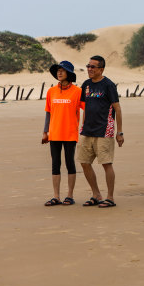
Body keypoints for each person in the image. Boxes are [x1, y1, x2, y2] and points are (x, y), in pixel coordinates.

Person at [77, 55, 124, 208]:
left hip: (105, 130)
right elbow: (85, 107)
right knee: (84, 162)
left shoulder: (108, 85)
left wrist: (120, 132)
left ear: (101, 69)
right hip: (87, 130)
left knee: (106, 163)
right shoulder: (86, 84)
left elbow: (117, 108)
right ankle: (96, 194)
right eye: (88, 66)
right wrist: (82, 127)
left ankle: (110, 197)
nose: (89, 69)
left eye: (93, 67)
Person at [42, 61, 83, 206]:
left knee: (70, 164)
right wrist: (45, 132)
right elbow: (48, 112)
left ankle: (70, 196)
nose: (59, 73)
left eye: (62, 71)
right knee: (55, 164)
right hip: (54, 133)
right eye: (58, 70)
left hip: (70, 133)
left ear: (69, 74)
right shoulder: (51, 91)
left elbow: (88, 110)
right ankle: (56, 196)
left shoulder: (78, 91)